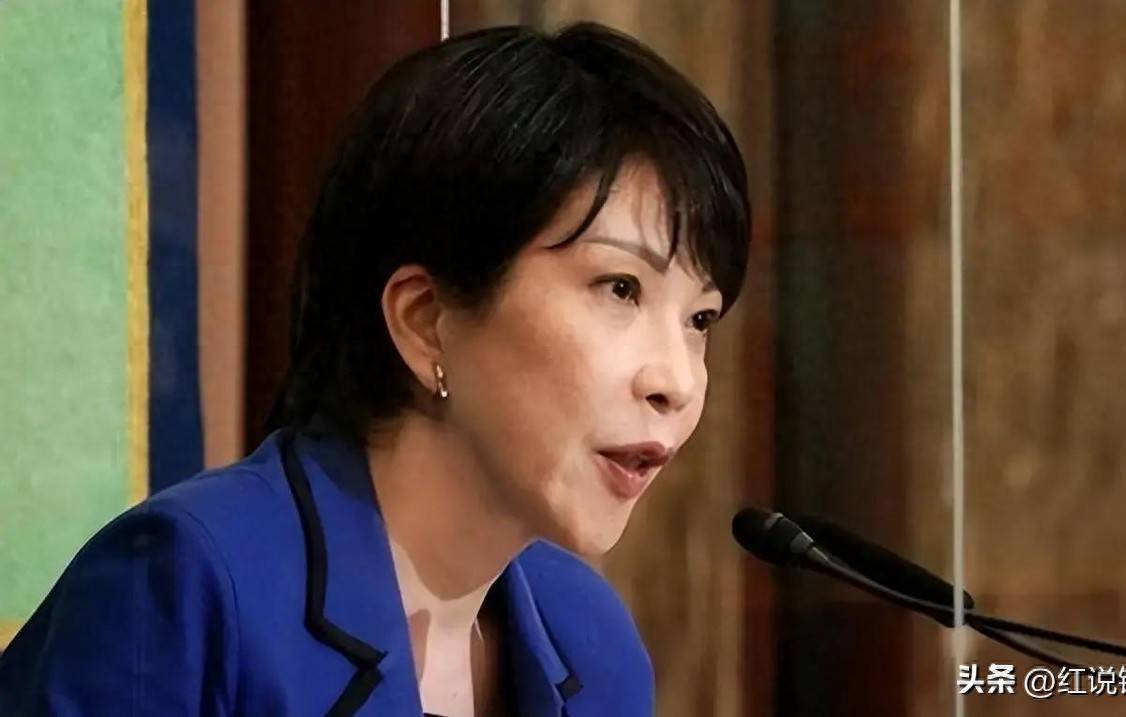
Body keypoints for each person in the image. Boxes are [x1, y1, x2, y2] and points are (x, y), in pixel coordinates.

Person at [0, 21, 750, 717]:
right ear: (424, 319)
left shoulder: (595, 644)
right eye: (620, 288)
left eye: (700, 320)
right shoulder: (185, 590)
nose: (677, 382)